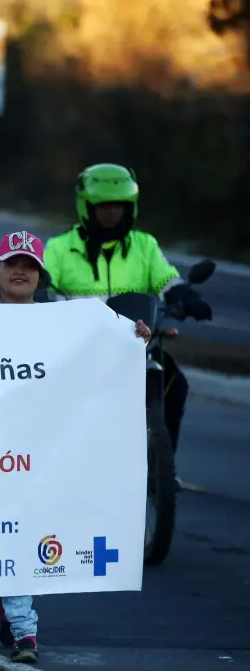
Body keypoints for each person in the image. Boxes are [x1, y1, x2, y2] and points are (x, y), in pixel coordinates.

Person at [0, 230, 151, 663]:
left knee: (23, 535)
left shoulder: (67, 321)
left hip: (43, 452)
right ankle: (17, 621)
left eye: (29, 265)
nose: (20, 271)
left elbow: (104, 356)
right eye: (12, 264)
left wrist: (133, 340)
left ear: (41, 275)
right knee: (0, 537)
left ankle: (20, 623)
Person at [42, 163, 210, 455]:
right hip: (80, 347)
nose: (112, 213)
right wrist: (42, 299)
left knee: (176, 386)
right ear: (87, 207)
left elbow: (166, 278)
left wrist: (186, 296)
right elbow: (42, 281)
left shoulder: (144, 245)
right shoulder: (58, 248)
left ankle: (162, 467)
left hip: (135, 344)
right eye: (105, 206)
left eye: (119, 206)